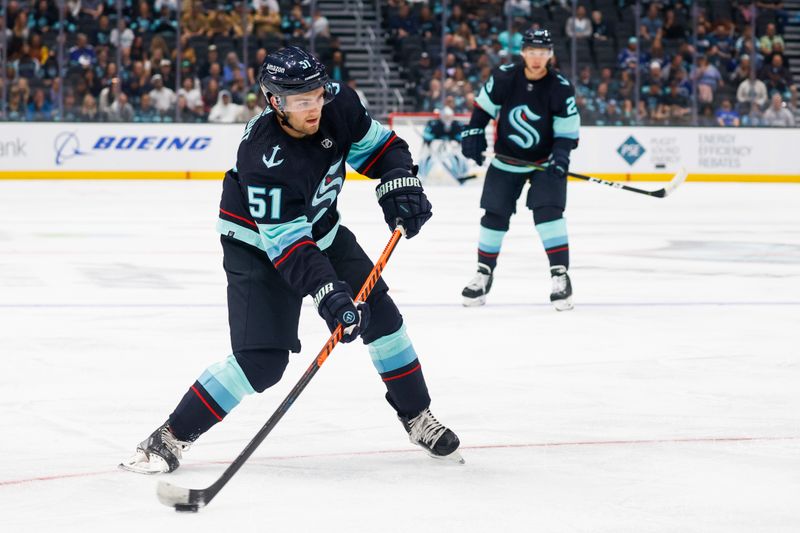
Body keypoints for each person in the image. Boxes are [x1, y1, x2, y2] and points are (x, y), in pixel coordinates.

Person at [120, 46, 462, 474]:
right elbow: (290, 246)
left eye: (317, 94)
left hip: (322, 230)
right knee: (262, 362)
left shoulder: (339, 105)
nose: (314, 106)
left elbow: (383, 149)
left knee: (384, 319)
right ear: (275, 101)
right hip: (258, 249)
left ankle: (416, 416)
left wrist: (399, 182)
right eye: (302, 101)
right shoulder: (264, 157)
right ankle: (170, 435)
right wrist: (330, 296)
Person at [460, 28, 580, 311]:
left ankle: (560, 275)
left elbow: (566, 131)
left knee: (548, 212)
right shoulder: (505, 76)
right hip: (506, 159)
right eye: (532, 52)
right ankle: (483, 273)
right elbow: (483, 108)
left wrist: (561, 157)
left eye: (542, 53)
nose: (537, 58)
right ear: (524, 53)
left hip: (544, 163)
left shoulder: (560, 87)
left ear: (549, 55)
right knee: (494, 213)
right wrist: (473, 130)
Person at [418, 106, 474, 185]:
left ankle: (462, 174)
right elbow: (427, 137)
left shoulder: (457, 124)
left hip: (451, 148)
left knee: (459, 158)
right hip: (435, 149)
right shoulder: (433, 124)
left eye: (449, 116)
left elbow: (462, 138)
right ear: (441, 116)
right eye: (445, 116)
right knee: (427, 158)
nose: (447, 118)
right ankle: (421, 176)